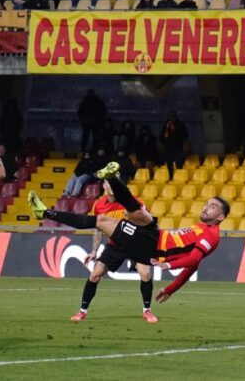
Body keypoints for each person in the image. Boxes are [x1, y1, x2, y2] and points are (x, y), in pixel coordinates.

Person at [29, 161, 228, 303]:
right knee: (102, 220)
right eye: (207, 204)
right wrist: (170, 290)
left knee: (141, 214)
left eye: (212, 207)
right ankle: (45, 212)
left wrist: (168, 265)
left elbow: (193, 260)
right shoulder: (201, 228)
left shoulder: (211, 235)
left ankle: (113, 179)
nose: (206, 208)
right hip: (151, 237)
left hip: (152, 245)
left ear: (220, 217)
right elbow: (192, 268)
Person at [68, 179, 156, 323]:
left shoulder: (132, 201)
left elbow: (147, 224)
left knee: (145, 273)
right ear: (104, 186)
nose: (112, 186)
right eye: (109, 183)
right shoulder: (99, 205)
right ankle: (82, 312)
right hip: (115, 245)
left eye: (115, 182)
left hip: (135, 244)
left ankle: (147, 311)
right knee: (95, 275)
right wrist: (94, 251)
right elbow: (98, 229)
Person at [159, 110, 189, 180]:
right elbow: (162, 135)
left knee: (179, 163)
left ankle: (180, 178)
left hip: (177, 147)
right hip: (168, 148)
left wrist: (178, 139)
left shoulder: (180, 124)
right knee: (169, 164)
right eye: (169, 115)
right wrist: (164, 140)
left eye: (172, 115)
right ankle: (171, 177)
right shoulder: (166, 125)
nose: (171, 117)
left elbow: (185, 134)